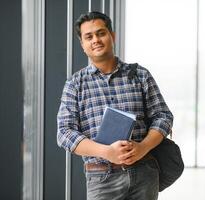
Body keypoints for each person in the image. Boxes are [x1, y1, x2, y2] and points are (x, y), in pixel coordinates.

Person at [57, 11, 173, 200]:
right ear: (83, 45)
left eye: (101, 33)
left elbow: (163, 116)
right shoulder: (75, 84)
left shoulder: (140, 75)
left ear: (112, 36)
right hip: (101, 176)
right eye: (89, 36)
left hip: (144, 171)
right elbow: (64, 133)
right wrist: (107, 152)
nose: (95, 39)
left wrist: (143, 147)